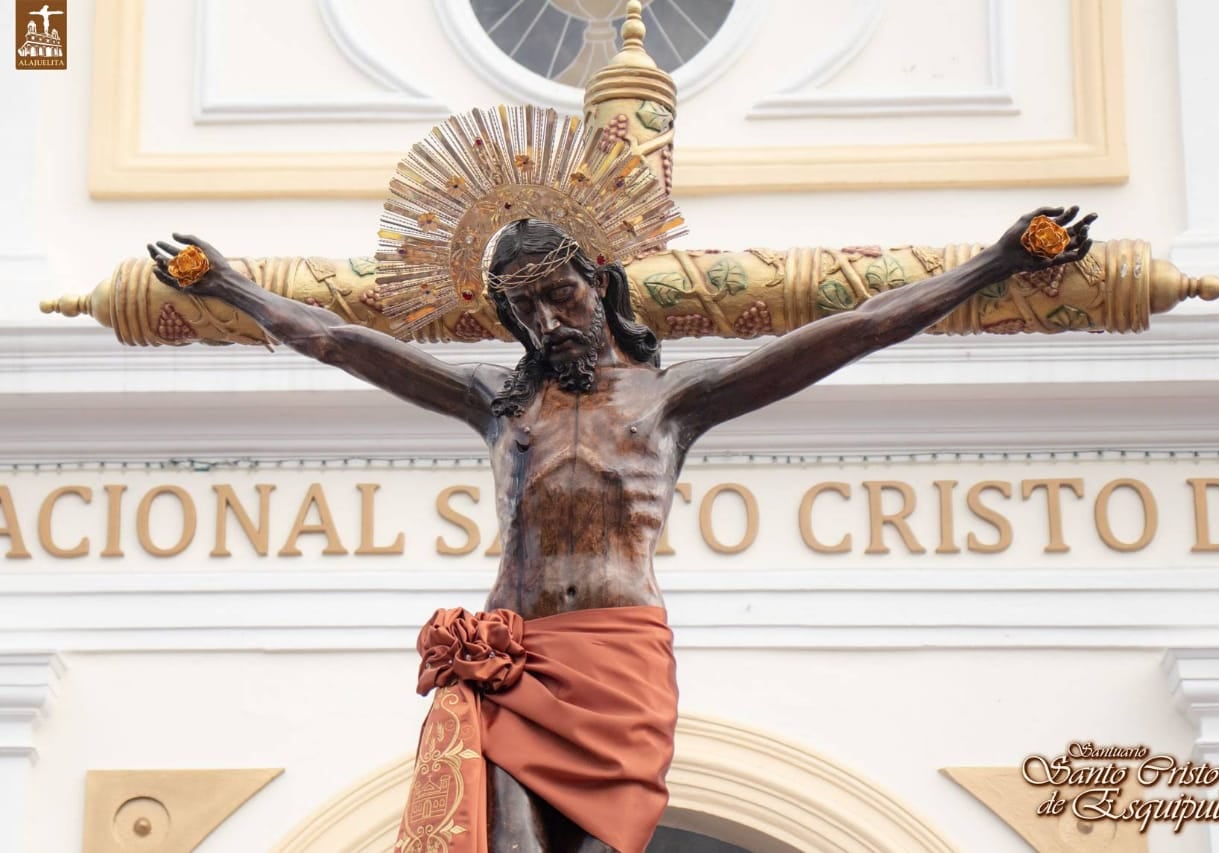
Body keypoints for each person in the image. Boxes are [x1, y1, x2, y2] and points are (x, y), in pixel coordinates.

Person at [146, 205, 1093, 852]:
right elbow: (340, 341)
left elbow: (858, 328)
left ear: (597, 282)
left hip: (616, 662)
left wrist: (1000, 262)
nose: (543, 316)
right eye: (520, 308)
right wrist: (227, 287)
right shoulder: (496, 406)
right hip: (511, 661)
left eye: (556, 293)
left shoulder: (676, 400)